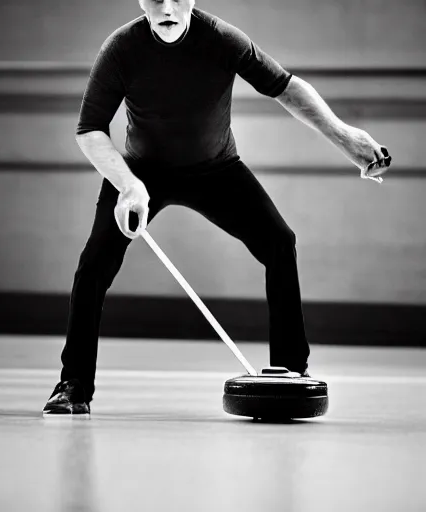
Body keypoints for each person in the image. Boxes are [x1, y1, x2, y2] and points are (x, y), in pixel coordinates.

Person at [42, 0, 391, 417]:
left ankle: (290, 374)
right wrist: (128, 184)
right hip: (140, 174)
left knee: (279, 242)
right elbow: (90, 130)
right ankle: (73, 385)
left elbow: (285, 86)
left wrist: (345, 136)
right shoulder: (121, 49)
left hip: (216, 170)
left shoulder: (222, 38)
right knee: (93, 265)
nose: (167, 7)